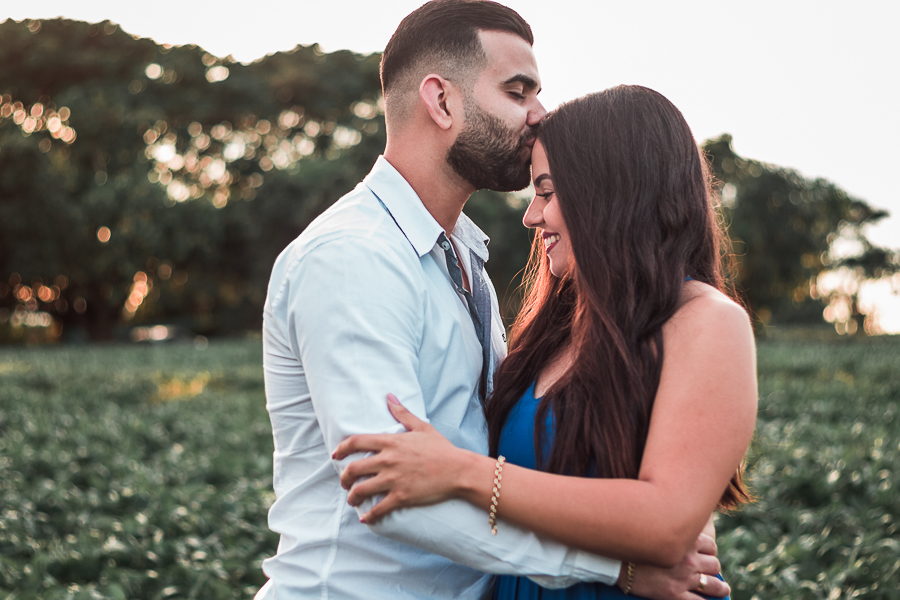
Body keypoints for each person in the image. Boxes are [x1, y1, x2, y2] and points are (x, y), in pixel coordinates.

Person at [257, 0, 730, 597]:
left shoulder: (462, 258)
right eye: (517, 91)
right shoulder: (354, 257)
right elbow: (390, 493)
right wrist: (616, 567)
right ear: (442, 101)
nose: (539, 114)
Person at [332, 85, 758, 599]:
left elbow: (666, 524)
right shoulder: (554, 330)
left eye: (548, 192)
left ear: (613, 193)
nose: (531, 215)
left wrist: (463, 472)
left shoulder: (707, 321)